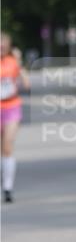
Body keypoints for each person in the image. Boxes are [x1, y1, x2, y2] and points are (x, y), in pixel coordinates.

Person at [1, 32, 30, 203]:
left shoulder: (13, 63)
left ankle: (7, 188)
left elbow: (26, 84)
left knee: (7, 146)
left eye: (3, 44)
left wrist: (20, 64)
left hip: (11, 107)